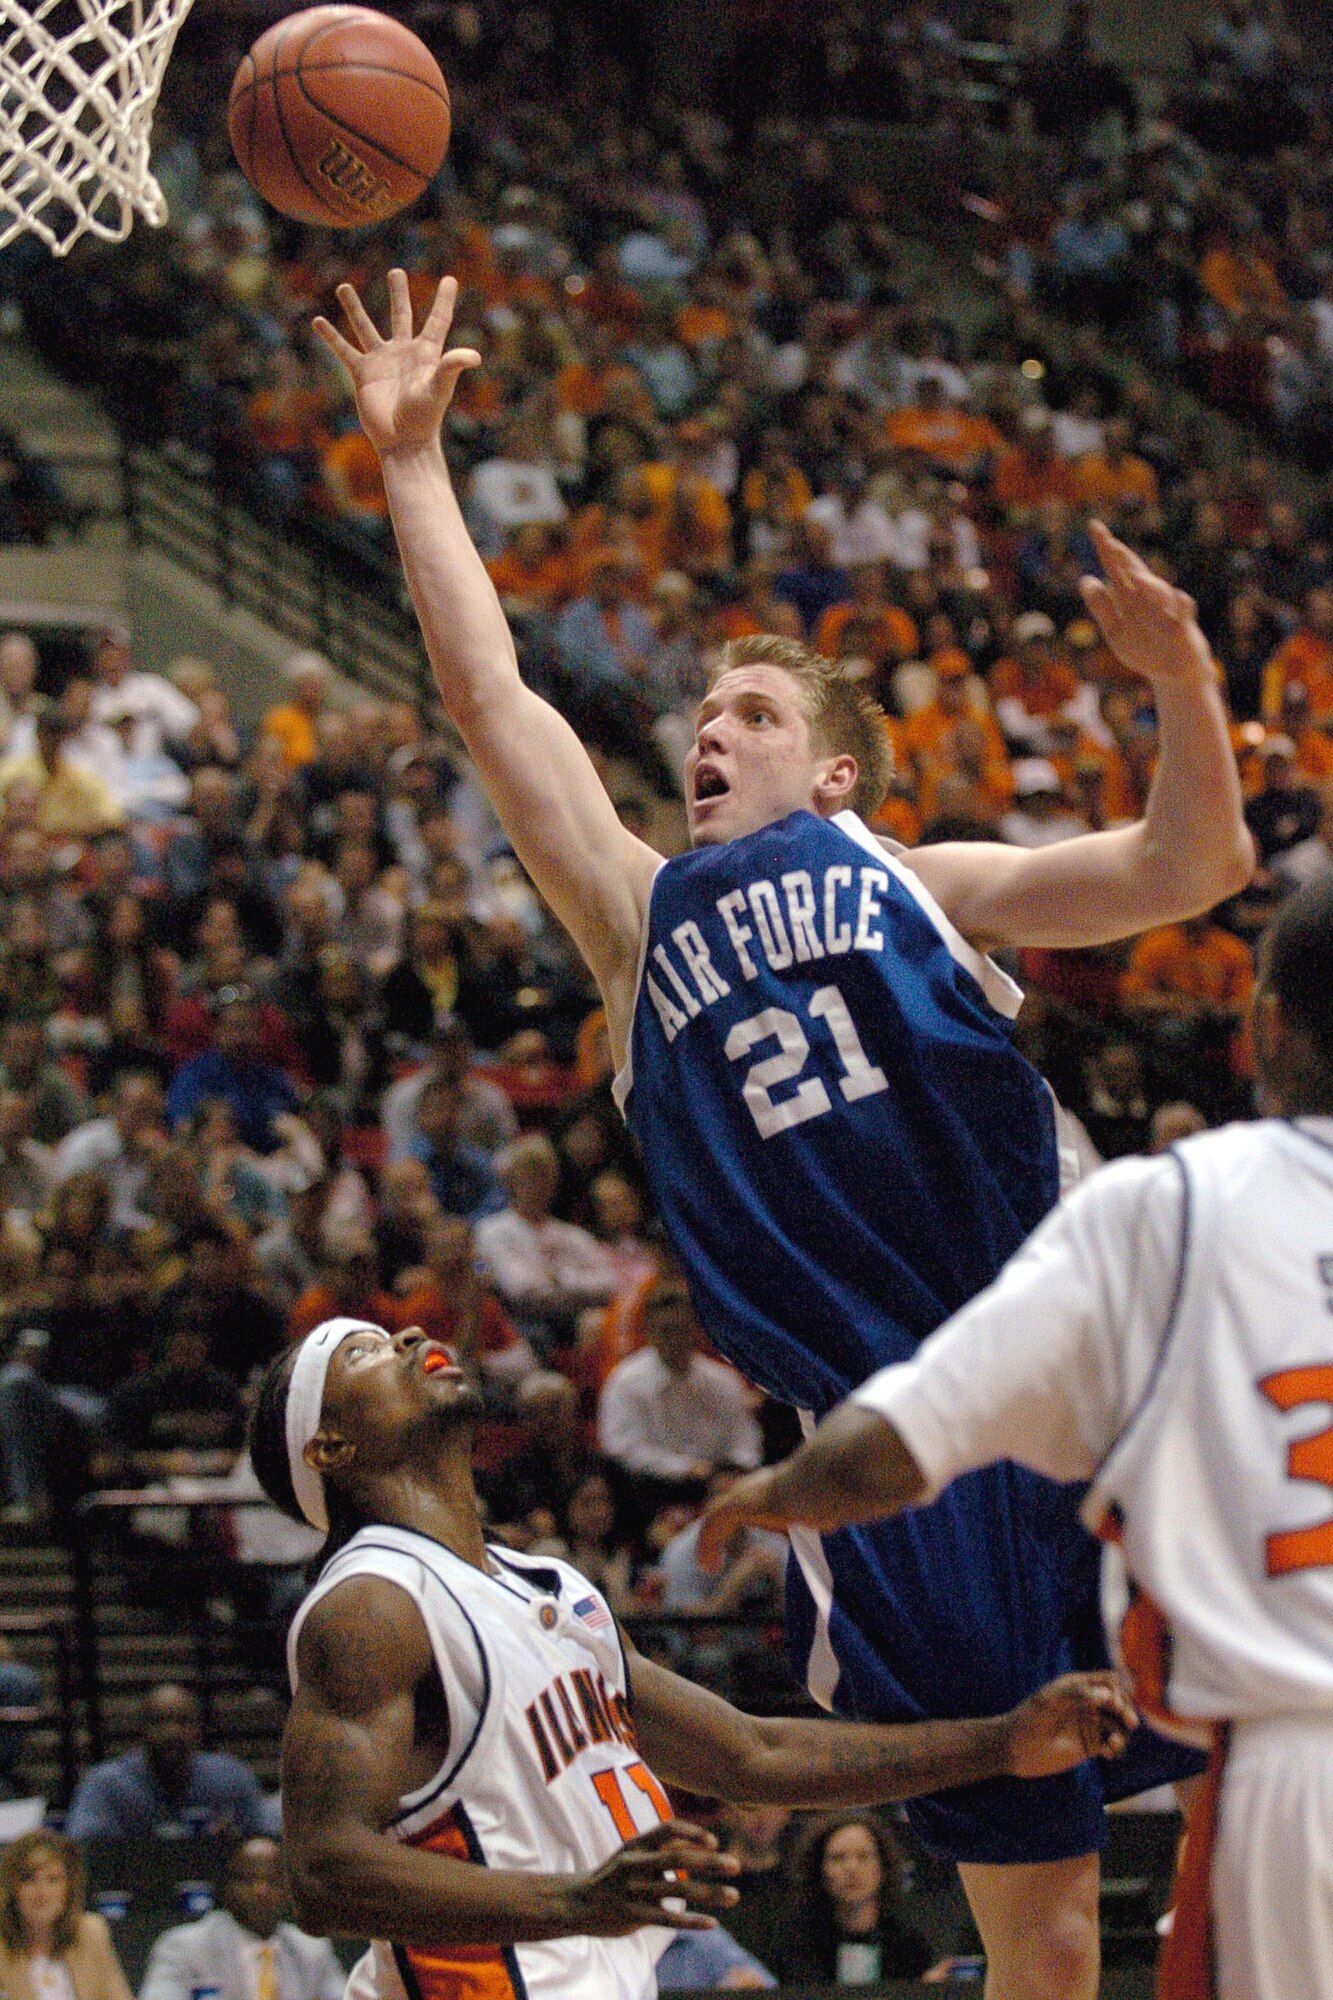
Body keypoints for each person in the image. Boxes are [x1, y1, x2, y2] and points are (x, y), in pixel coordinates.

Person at [311, 271, 1253, 2000]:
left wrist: (1183, 677)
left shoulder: (921, 876)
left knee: (1278, 1779)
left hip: (1099, 1373)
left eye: (748, 715)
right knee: (1038, 1917)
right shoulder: (634, 919)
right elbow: (494, 702)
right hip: (893, 1448)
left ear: (835, 780)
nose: (705, 736)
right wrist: (413, 464)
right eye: (696, 720)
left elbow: (1187, 871)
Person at [699, 874, 1333, 2000]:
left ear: (1265, 1023)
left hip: (1292, 1765)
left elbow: (914, 1421)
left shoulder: (1179, 1198)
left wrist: (783, 1490)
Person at [245, 1317, 1133, 2000]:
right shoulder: (371, 1606)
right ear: (330, 1450)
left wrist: (1001, 1744)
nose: (405, 1337)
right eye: (359, 1354)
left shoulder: (543, 1584)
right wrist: (572, 1900)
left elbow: (755, 1754)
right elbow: (322, 1871)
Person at [138, 1839, 344, 2000]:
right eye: (248, 1880)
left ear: (289, 1890)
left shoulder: (312, 1950)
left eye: (272, 1881)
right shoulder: (185, 1946)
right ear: (228, 1889)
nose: (260, 1891)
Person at [64, 1682, 269, 1839]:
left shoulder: (231, 1776)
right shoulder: (106, 1783)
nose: (171, 1732)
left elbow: (267, 1838)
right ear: (141, 1730)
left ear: (199, 1729)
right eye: (159, 1721)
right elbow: (83, 1846)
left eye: (182, 1721)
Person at [778, 1812, 939, 1985]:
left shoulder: (908, 1947)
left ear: (883, 1867)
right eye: (838, 1858)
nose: (851, 1868)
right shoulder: (798, 1944)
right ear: (820, 1869)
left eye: (863, 1856)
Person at [0, 1831, 133, 2000]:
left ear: (70, 1888)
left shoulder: (91, 1932)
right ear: (11, 1888)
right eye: (29, 1879)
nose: (42, 1892)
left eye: (53, 1880)